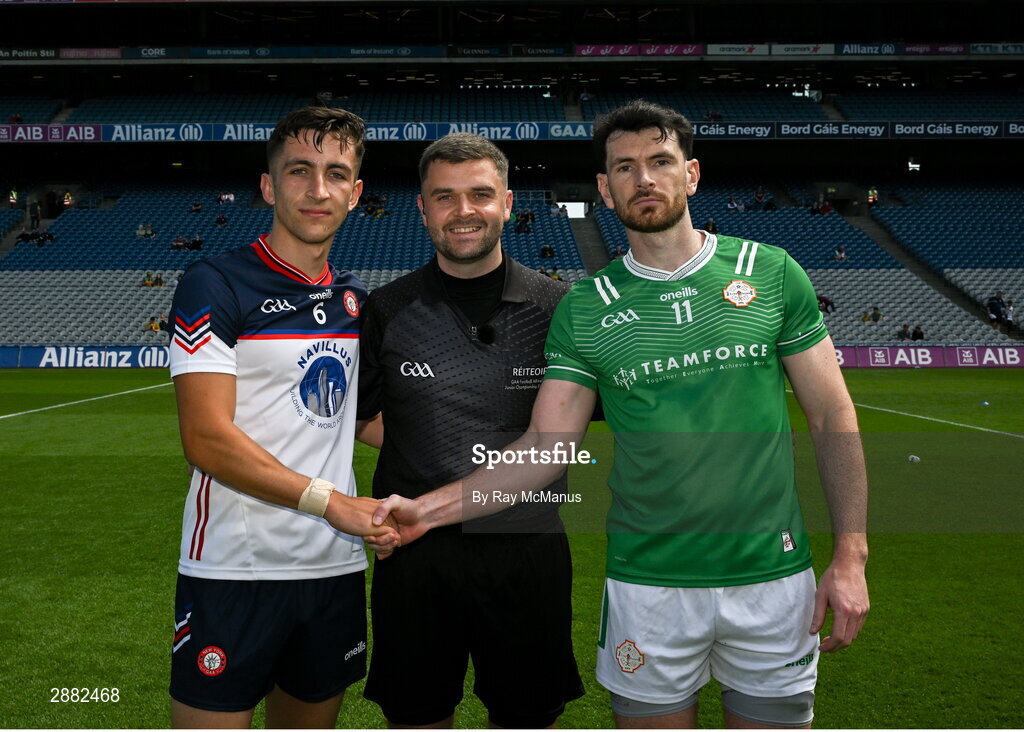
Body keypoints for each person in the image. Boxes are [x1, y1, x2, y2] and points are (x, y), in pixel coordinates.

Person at [372, 100, 869, 730]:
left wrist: (850, 555)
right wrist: (425, 511)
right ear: (605, 189)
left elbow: (831, 414)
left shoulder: (770, 273)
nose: (645, 179)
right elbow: (545, 448)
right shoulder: (585, 308)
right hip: (648, 584)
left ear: (691, 173)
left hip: (773, 577)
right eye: (625, 168)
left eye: (660, 161)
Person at [166, 106, 399, 729]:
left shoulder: (357, 301)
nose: (317, 190)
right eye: (300, 171)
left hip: (334, 569)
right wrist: (333, 502)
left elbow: (364, 420)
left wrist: (492, 450)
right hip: (234, 570)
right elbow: (206, 438)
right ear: (270, 186)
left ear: (356, 192)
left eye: (335, 173)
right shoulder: (215, 284)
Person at [356, 133, 584, 729]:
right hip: (416, 557)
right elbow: (365, 421)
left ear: (508, 203)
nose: (464, 211)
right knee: (416, 715)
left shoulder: (559, 308)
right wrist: (433, 442)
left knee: (528, 715)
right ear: (422, 208)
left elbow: (565, 433)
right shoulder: (386, 308)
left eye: (480, 194)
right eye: (445, 197)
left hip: (526, 551)